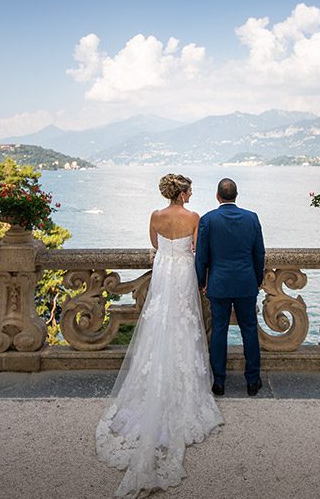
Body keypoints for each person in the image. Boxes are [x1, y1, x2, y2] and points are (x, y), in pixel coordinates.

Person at [96, 173, 223, 499]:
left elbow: (155, 245)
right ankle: (184, 388)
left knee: (159, 325)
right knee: (185, 324)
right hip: (182, 272)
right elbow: (196, 249)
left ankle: (154, 383)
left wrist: (169, 249)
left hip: (164, 271)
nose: (192, 193)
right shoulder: (193, 217)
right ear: (181, 194)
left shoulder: (155, 215)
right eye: (190, 189)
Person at [195, 177, 265, 396]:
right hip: (246, 282)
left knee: (219, 330)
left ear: (218, 196)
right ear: (236, 195)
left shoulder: (208, 219)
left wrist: (201, 282)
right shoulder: (251, 218)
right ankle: (252, 381)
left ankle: (219, 382)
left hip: (219, 283)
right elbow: (259, 253)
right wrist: (257, 279)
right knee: (250, 329)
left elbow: (202, 257)